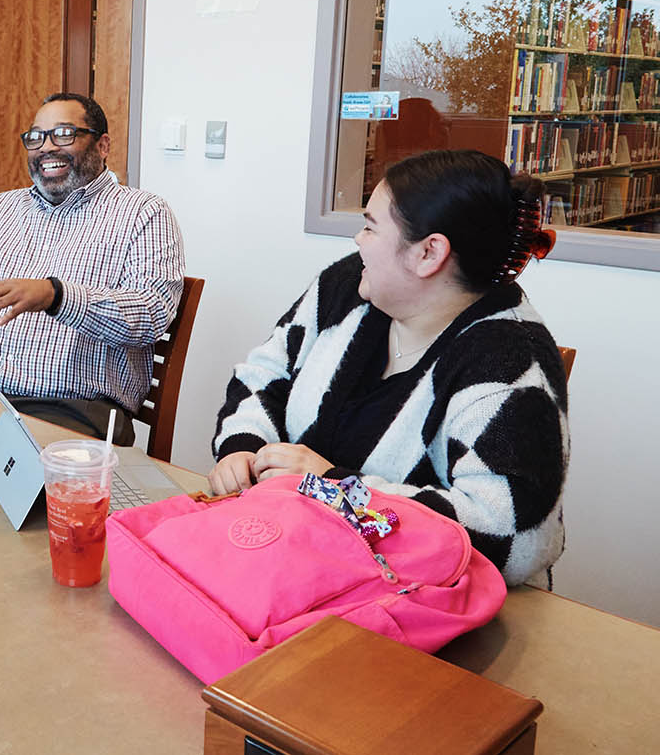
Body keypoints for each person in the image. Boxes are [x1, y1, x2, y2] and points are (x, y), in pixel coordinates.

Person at [209, 149, 566, 586]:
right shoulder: (348, 287)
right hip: (302, 568)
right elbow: (264, 372)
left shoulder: (509, 362)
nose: (358, 240)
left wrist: (336, 490)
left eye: (370, 226)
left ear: (429, 253)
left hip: (429, 611)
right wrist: (242, 447)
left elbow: (513, 539)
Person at [0, 93, 185, 444]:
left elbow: (151, 313)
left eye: (64, 134)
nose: (46, 148)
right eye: (36, 137)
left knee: (0, 490)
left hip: (73, 411)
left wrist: (57, 297)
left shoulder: (144, 213)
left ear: (102, 145)